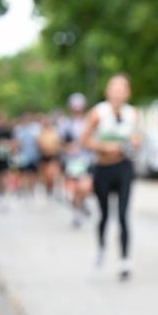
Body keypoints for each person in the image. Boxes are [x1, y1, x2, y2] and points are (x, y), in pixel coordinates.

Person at [80, 74, 139, 280]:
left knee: (123, 214)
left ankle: (124, 259)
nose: (118, 92)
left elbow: (137, 138)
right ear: (108, 91)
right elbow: (84, 139)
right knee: (104, 214)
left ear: (127, 92)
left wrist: (133, 142)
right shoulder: (98, 112)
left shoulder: (132, 114)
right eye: (114, 87)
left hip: (123, 168)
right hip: (103, 169)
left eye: (122, 88)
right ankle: (101, 247)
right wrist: (103, 147)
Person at [60, 93, 93, 227]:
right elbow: (60, 143)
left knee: (85, 187)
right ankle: (77, 211)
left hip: (86, 160)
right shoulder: (66, 124)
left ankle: (80, 205)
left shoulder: (89, 121)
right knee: (73, 189)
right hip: (71, 161)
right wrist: (68, 147)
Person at [37, 114, 63, 198]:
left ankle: (52, 190)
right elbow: (39, 145)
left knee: (52, 174)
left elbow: (58, 144)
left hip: (53, 156)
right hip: (44, 156)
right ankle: (48, 190)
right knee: (46, 176)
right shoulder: (41, 133)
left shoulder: (54, 132)